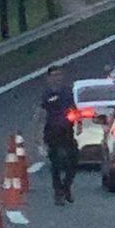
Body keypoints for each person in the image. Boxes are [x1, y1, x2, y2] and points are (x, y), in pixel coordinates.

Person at [37, 65, 79, 206]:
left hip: (67, 130)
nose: (57, 78)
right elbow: (41, 114)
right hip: (52, 131)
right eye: (54, 75)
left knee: (73, 160)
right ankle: (58, 192)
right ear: (49, 78)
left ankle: (66, 186)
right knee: (56, 163)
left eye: (59, 75)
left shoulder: (67, 91)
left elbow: (73, 108)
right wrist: (38, 136)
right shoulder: (46, 94)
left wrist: (77, 122)